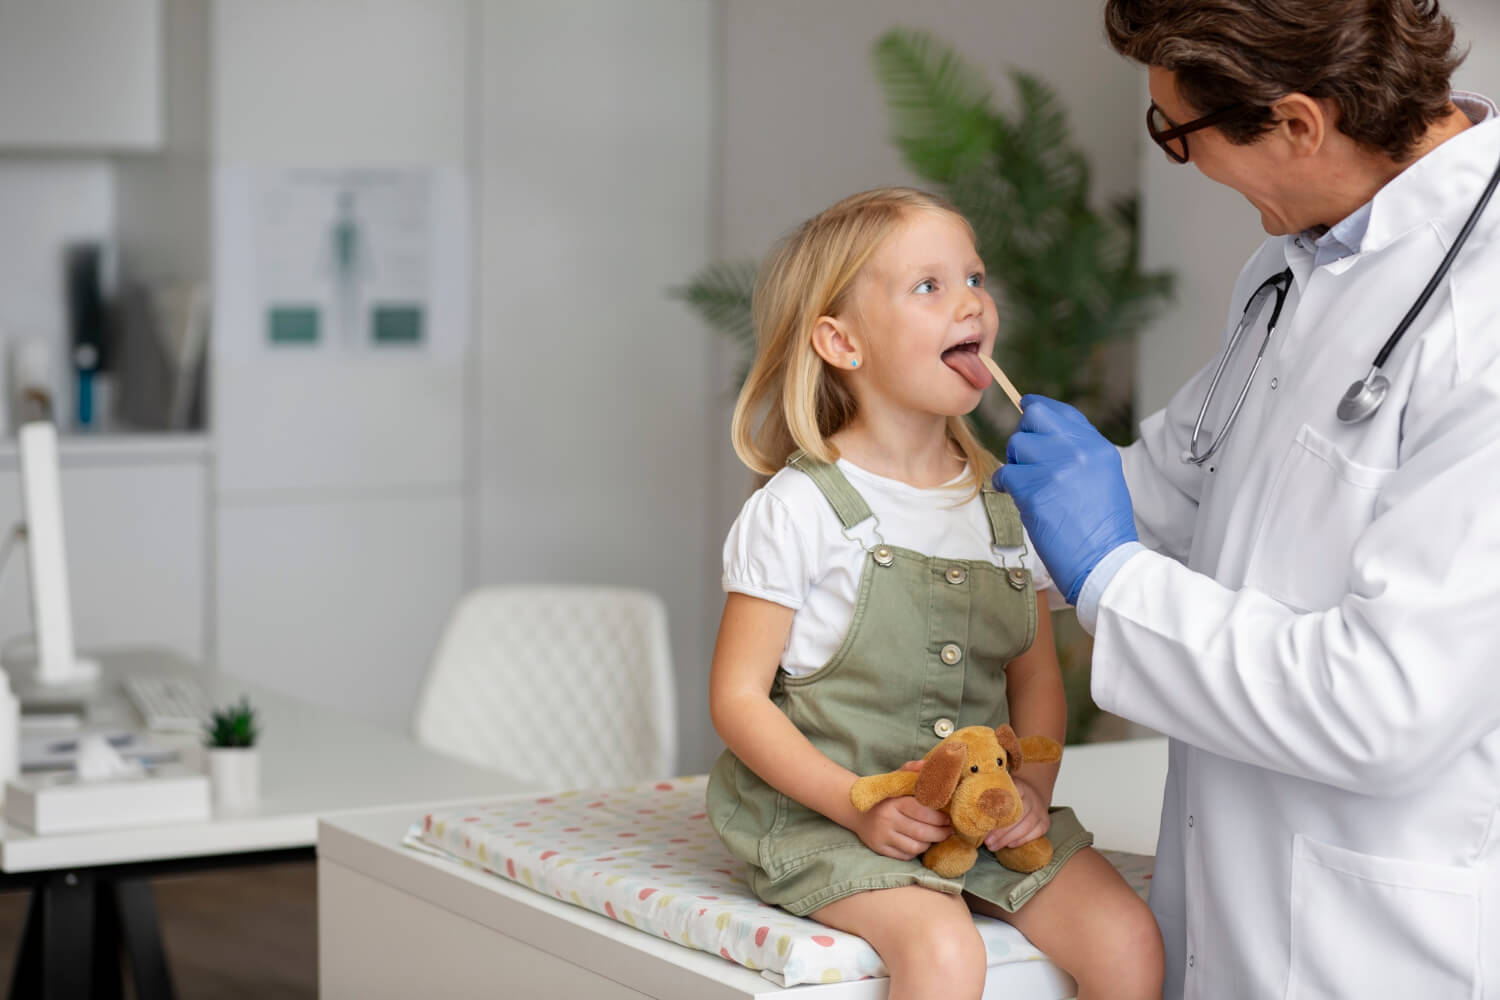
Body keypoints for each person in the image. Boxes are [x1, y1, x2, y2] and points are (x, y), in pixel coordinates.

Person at [994, 2, 1500, 997]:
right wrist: (906, 549)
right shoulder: (1295, 264)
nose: (1181, 158)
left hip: (1376, 948)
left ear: (1298, 123)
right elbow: (1178, 484)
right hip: (1231, 904)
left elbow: (1385, 705)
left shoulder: (1482, 316)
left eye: (1175, 132)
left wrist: (1109, 577)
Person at [705, 187, 1163, 1000]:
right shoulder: (799, 509)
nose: (971, 302)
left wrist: (1030, 796)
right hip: (830, 819)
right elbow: (738, 699)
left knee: (1128, 941)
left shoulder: (1006, 507)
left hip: (982, 813)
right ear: (842, 342)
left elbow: (1035, 678)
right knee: (947, 954)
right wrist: (855, 806)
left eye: (975, 278)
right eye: (930, 286)